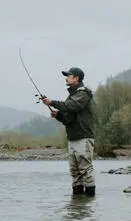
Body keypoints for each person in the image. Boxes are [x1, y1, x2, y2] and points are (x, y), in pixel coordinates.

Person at [40, 67, 96, 195]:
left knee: (85, 170)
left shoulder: (83, 93)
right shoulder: (72, 96)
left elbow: (72, 106)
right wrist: (58, 115)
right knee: (75, 172)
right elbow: (68, 119)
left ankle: (89, 202)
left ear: (76, 78)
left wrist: (51, 102)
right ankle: (78, 204)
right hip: (73, 138)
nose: (66, 78)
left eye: (69, 76)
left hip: (83, 137)